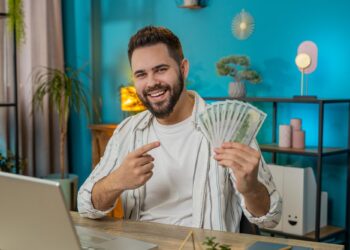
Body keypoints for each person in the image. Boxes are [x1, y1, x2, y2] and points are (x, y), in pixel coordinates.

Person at [78, 26, 281, 232]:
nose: (151, 83)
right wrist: (116, 181)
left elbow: (270, 218)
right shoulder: (127, 131)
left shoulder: (229, 128)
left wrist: (251, 189)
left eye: (161, 70)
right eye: (141, 74)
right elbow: (85, 205)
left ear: (183, 69)